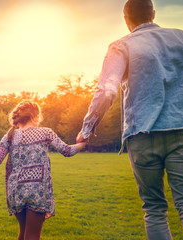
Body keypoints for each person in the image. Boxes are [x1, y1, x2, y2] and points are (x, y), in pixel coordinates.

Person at [76, 0, 183, 239]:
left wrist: (87, 127)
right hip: (181, 131)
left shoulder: (122, 45)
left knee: (154, 209)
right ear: (153, 14)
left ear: (126, 19)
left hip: (142, 136)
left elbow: (107, 91)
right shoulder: (180, 37)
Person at [0, 100, 87, 240]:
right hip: (37, 190)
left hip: (15, 191)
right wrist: (82, 144)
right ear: (36, 116)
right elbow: (67, 150)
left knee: (23, 233)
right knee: (32, 236)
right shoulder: (45, 132)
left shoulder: (9, 136)